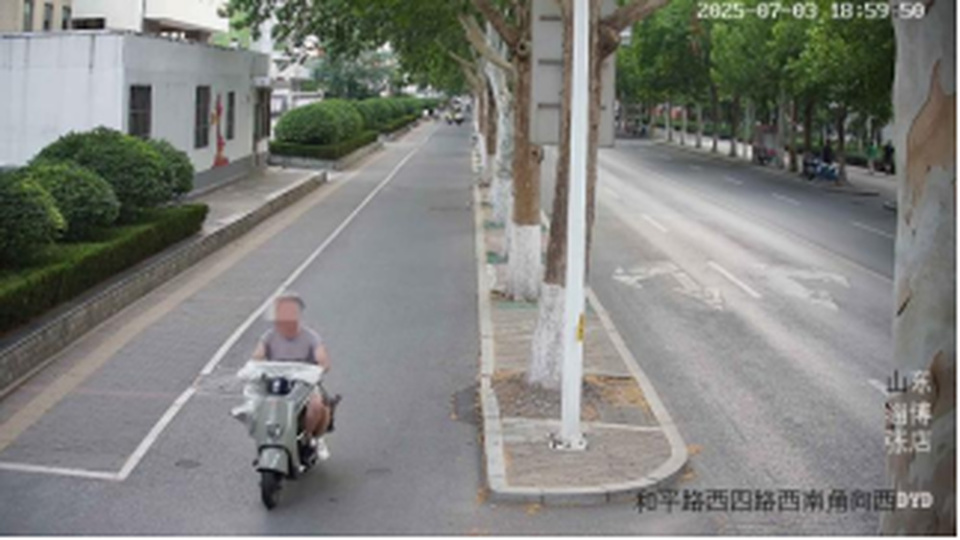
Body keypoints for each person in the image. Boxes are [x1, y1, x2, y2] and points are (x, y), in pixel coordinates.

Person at [253, 292, 340, 460]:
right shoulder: (269, 337)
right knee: (254, 405)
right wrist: (257, 365)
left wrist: (319, 368)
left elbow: (323, 359)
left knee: (316, 405)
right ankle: (265, 440)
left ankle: (310, 438)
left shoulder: (311, 337)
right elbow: (258, 355)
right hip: (276, 384)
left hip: (304, 384)